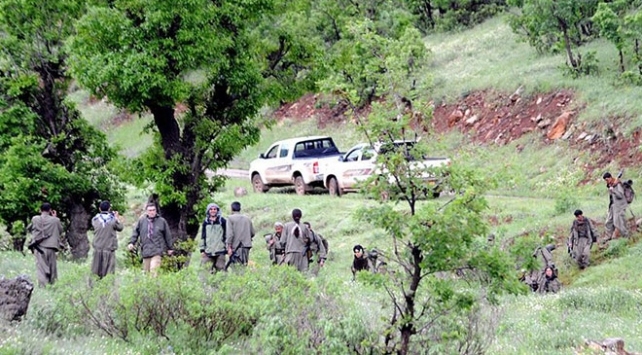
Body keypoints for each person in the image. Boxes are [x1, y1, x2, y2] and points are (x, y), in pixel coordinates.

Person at [128, 203, 174, 275]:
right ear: (146, 211)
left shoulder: (162, 221)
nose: (152, 212)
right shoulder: (142, 221)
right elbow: (136, 233)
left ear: (156, 211)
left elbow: (168, 235)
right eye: (150, 210)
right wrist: (131, 243)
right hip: (146, 251)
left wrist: (170, 248)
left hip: (157, 250)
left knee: (154, 272)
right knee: (147, 274)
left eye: (153, 210)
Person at [27, 202, 65, 287]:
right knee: (52, 268)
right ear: (50, 210)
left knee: (41, 268)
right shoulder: (56, 220)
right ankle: (53, 285)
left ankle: (43, 286)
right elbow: (61, 230)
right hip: (51, 247)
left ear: (40, 210)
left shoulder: (35, 219)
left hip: (39, 248)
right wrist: (55, 217)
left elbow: (29, 228)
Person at [90, 200, 124, 278]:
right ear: (109, 209)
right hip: (109, 249)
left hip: (97, 248)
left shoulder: (95, 219)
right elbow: (120, 227)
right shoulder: (113, 220)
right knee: (109, 272)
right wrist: (116, 218)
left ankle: (93, 287)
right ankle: (108, 289)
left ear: (99, 209)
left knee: (95, 271)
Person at [200, 203, 227, 273]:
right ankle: (206, 283)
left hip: (220, 250)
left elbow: (226, 235)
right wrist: (202, 250)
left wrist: (227, 247)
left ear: (217, 210)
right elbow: (203, 236)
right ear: (208, 211)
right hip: (208, 251)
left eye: (215, 209)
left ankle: (222, 283)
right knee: (205, 268)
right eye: (211, 209)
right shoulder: (205, 222)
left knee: (221, 268)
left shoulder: (222, 221)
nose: (213, 211)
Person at [225, 201, 255, 266]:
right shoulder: (247, 219)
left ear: (231, 208)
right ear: (240, 208)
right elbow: (253, 233)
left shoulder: (230, 218)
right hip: (246, 246)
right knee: (244, 265)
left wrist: (229, 247)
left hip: (235, 247)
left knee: (235, 267)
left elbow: (230, 234)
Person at [603, 172, 629, 240]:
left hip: (619, 206)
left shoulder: (618, 185)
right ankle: (608, 236)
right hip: (612, 205)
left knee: (618, 222)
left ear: (610, 177)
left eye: (607, 180)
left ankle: (625, 236)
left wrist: (614, 191)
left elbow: (621, 195)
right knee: (608, 222)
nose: (606, 182)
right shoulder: (611, 185)